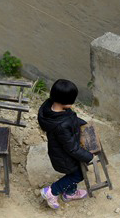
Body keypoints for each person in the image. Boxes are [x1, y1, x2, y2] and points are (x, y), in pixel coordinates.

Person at [38, 79, 93, 209]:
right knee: (78, 174)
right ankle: (52, 191)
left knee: (74, 173)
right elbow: (72, 149)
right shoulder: (61, 125)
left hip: (59, 152)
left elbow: (71, 119)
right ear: (66, 101)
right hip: (64, 158)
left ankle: (70, 193)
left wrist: (81, 123)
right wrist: (89, 157)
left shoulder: (50, 109)